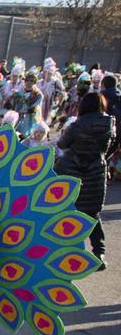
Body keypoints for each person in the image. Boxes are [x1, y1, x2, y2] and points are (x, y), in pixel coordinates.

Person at [56, 92, 114, 269]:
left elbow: (62, 144)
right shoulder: (109, 124)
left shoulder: (77, 125)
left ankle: (66, 254)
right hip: (96, 171)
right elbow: (109, 147)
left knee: (67, 211)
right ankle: (99, 252)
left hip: (72, 170)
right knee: (93, 213)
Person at [4, 71, 43, 137]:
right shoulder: (19, 93)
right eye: (27, 80)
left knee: (26, 136)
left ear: (35, 82)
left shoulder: (38, 95)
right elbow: (10, 104)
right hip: (17, 117)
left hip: (29, 119)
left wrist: (25, 111)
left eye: (31, 81)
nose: (29, 82)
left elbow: (35, 108)